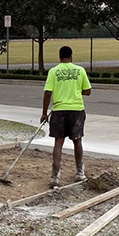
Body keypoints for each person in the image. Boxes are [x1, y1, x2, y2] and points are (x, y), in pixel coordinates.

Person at [41, 46, 92, 188]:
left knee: (58, 142)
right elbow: (88, 91)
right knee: (77, 140)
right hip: (76, 110)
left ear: (59, 57)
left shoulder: (54, 71)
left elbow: (47, 93)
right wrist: (75, 90)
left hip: (59, 110)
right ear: (71, 56)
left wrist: (44, 113)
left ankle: (55, 176)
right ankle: (80, 173)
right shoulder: (80, 70)